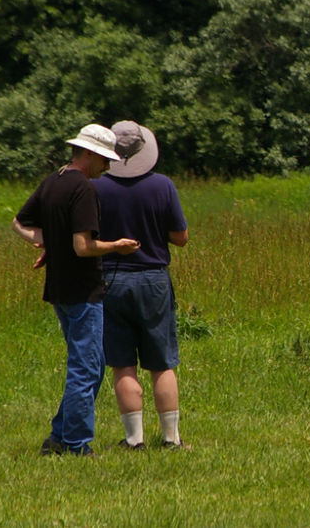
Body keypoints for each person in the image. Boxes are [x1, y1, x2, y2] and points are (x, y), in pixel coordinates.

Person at [12, 124, 140, 456]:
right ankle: (75, 443)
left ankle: (58, 435)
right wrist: (118, 246)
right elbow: (84, 247)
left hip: (59, 290)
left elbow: (19, 222)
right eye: (105, 160)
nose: (108, 167)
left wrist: (44, 242)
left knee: (92, 365)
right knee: (85, 368)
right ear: (89, 154)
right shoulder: (83, 190)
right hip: (83, 291)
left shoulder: (53, 181)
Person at [94, 121, 190, 450]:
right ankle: (170, 438)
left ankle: (134, 439)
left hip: (112, 279)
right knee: (162, 362)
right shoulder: (162, 186)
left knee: (122, 363)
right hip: (153, 279)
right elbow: (181, 238)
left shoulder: (98, 187)